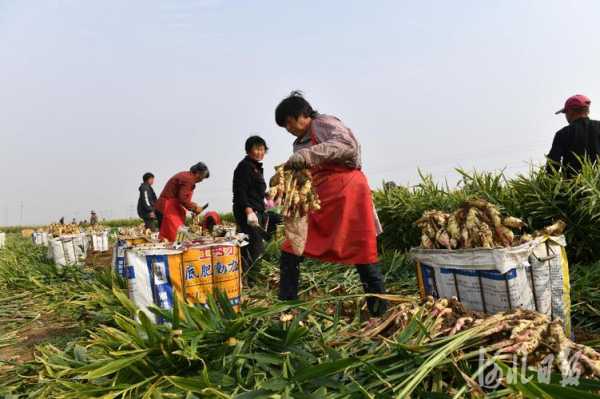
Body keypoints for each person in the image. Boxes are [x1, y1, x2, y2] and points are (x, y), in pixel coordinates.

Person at [274, 91, 388, 316]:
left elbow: (347, 146)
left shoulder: (324, 123)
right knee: (292, 246)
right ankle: (287, 306)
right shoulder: (299, 144)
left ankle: (379, 311)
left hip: (348, 194)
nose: (288, 129)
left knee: (362, 248)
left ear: (302, 115)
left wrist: (309, 155)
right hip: (321, 198)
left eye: (289, 123)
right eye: (284, 127)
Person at [233, 135, 269, 284]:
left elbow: (254, 190)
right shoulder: (245, 166)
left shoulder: (255, 167)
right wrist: (249, 210)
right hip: (249, 212)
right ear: (249, 150)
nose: (260, 152)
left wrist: (266, 195)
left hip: (255, 210)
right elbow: (240, 191)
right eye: (257, 149)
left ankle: (248, 280)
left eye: (262, 149)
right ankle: (253, 282)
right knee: (255, 247)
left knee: (251, 246)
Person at [547, 94, 600, 177]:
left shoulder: (562, 134)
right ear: (587, 111)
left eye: (565, 112)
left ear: (570, 112)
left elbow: (553, 164)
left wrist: (549, 186)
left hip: (573, 188)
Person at [155, 162, 210, 242]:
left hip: (167, 207)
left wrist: (192, 205)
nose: (201, 180)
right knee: (178, 237)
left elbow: (181, 198)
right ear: (198, 173)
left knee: (170, 238)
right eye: (202, 177)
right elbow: (183, 198)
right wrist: (194, 208)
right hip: (167, 209)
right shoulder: (189, 179)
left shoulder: (185, 176)